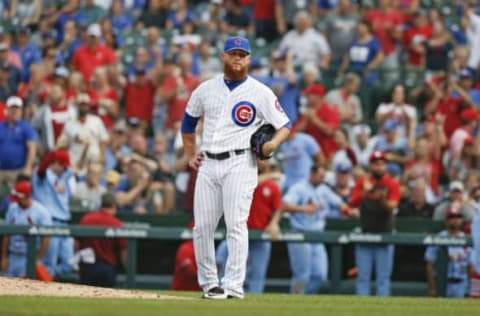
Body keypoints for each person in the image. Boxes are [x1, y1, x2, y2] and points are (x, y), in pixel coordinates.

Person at [180, 36, 290, 299]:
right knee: (203, 226)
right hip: (208, 162)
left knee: (236, 225)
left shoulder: (261, 92)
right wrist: (190, 153)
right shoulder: (205, 89)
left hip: (241, 161)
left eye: (243, 54)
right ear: (223, 56)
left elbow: (284, 125)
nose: (238, 58)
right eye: (233, 53)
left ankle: (232, 285)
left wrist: (272, 144)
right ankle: (209, 284)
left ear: (249, 58)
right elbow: (187, 123)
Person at [283, 164, 353, 294]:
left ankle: (306, 302)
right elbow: (284, 205)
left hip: (317, 236)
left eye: (323, 177)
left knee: (320, 275)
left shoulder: (323, 189)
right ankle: (295, 300)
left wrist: (348, 210)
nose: (322, 179)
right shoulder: (299, 188)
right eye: (320, 176)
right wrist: (304, 209)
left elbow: (339, 203)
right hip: (300, 235)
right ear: (312, 174)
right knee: (302, 275)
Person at [349, 151, 401, 296]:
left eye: (382, 164)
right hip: (365, 234)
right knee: (363, 278)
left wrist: (381, 199)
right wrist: (365, 193)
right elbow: (352, 203)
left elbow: (392, 206)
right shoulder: (362, 182)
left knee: (383, 279)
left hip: (385, 235)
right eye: (376, 164)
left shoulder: (391, 184)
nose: (379, 167)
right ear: (371, 165)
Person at [32, 149, 76, 278]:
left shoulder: (63, 176)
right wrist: (52, 154)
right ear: (55, 163)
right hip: (50, 222)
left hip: (65, 224)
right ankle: (44, 287)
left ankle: (49, 279)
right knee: (48, 263)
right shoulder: (42, 175)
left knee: (70, 263)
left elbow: (73, 169)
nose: (65, 168)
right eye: (62, 165)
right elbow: (41, 170)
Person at [1, 181, 51, 279]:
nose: (17, 201)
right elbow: (7, 234)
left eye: (19, 198)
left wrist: (38, 259)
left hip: (29, 256)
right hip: (13, 255)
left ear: (27, 196)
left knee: (25, 289)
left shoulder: (41, 211)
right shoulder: (12, 208)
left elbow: (46, 238)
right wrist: (4, 257)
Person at [77, 192, 127, 287]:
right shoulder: (117, 224)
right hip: (107, 269)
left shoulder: (86, 219)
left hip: (87, 268)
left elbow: (76, 244)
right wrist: (126, 269)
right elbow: (123, 251)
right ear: (113, 205)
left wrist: (77, 265)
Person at [425, 208, 474, 298]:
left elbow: (471, 267)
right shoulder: (438, 237)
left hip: (461, 283)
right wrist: (432, 287)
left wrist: (471, 288)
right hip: (442, 282)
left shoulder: (467, 240)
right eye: (452, 217)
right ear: (446, 221)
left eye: (458, 217)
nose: (455, 220)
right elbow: (430, 264)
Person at [0, 96, 36, 188]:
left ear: (21, 110)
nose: (14, 111)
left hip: (17, 171)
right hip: (0, 170)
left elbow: (32, 148)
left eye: (17, 109)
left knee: (15, 198)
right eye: (12, 108)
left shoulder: (26, 127)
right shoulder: (1, 125)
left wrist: (28, 167)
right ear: (7, 110)